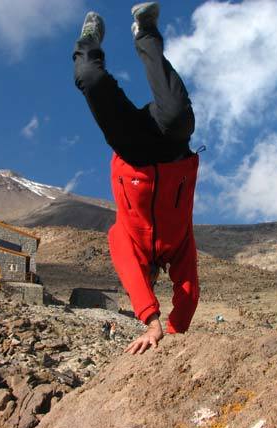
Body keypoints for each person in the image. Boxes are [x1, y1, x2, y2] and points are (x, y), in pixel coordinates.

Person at [73, 2, 199, 355]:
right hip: (172, 150)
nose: (157, 277)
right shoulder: (180, 244)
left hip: (134, 155)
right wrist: (173, 333)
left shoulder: (122, 238)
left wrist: (152, 323)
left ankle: (88, 40)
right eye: (157, 279)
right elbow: (189, 291)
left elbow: (130, 272)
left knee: (90, 78)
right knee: (177, 114)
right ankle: (146, 32)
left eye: (152, 280)